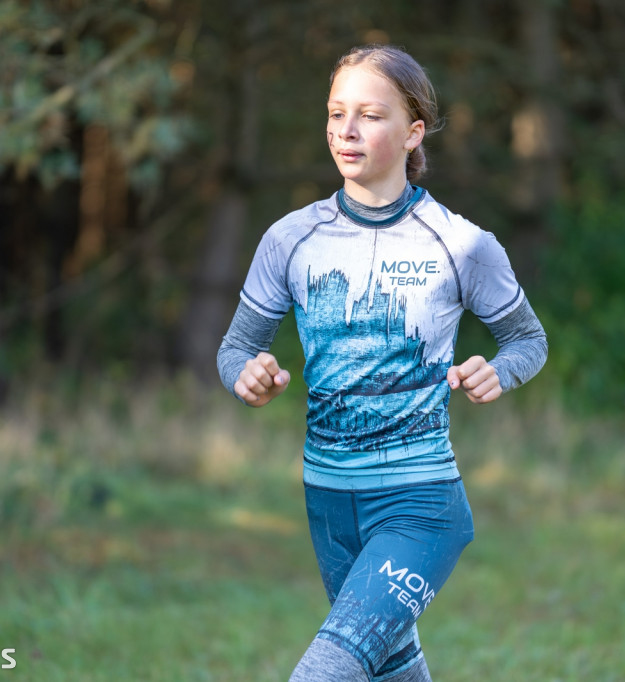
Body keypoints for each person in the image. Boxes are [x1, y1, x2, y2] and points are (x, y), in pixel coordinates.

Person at [216, 44, 548, 682]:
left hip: (420, 506)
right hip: (328, 503)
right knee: (391, 670)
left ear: (412, 131)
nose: (346, 130)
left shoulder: (462, 243)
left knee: (323, 674)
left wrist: (497, 371)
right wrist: (246, 375)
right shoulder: (290, 239)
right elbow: (236, 349)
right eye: (336, 113)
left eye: (369, 115)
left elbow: (528, 341)